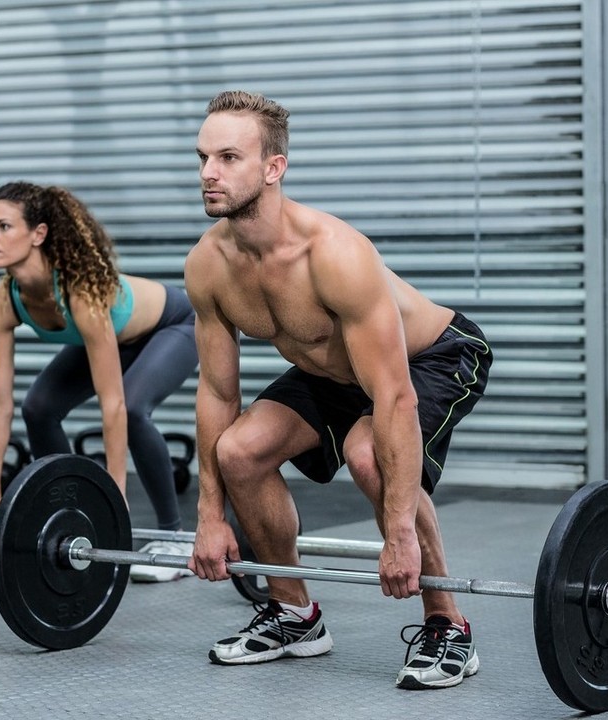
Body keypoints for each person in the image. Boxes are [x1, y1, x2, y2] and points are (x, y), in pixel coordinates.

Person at [184, 91, 493, 689]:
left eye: (227, 158)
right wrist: (210, 514)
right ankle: (295, 612)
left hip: (430, 358)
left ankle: (447, 623)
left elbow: (395, 397)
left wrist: (398, 530)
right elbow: (219, 394)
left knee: (368, 453)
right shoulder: (207, 266)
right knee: (238, 452)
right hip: (333, 372)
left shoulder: (335, 256)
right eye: (202, 157)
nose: (207, 174)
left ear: (273, 168)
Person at [0, 181, 199, 582]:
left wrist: (114, 499)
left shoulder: (80, 293)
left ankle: (175, 536)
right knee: (38, 408)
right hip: (115, 339)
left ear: (38, 234)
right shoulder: (1, 302)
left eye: (4, 226)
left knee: (131, 408)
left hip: (176, 326)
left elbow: (111, 403)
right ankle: (70, 515)